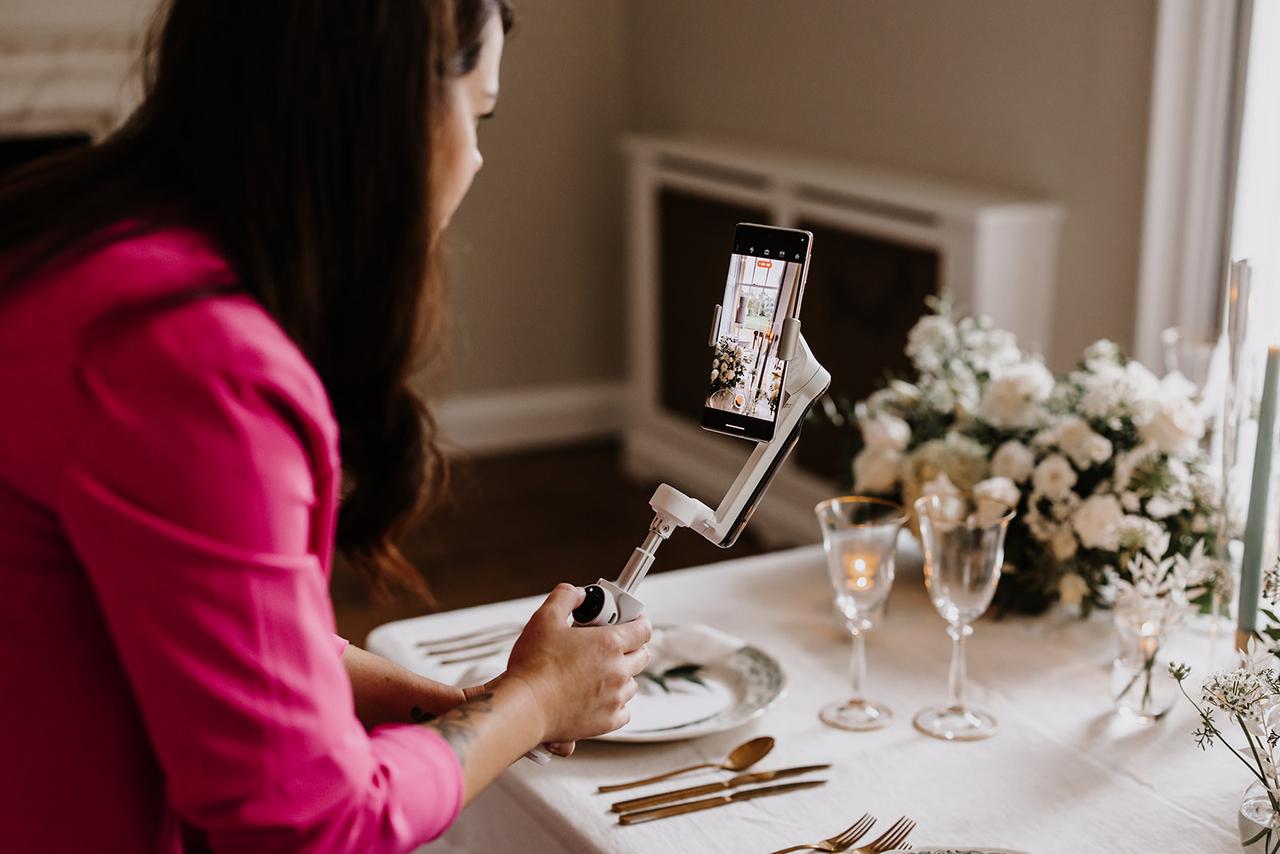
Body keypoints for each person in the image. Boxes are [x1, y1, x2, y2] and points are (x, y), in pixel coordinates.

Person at [0, 1, 651, 851]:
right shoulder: (190, 361)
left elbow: (229, 637)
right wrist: (529, 704)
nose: (478, 156)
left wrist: (478, 711)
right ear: (388, 117)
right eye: (476, 111)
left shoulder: (67, 241)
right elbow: (310, 823)